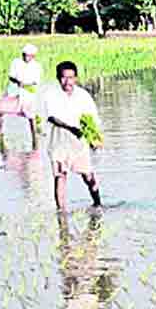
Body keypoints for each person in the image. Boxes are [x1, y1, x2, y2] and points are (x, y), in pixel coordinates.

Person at [43, 61, 102, 212]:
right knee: (60, 176)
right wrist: (70, 128)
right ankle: (61, 212)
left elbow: (93, 119)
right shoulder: (51, 94)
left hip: (78, 141)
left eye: (71, 78)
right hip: (59, 140)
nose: (67, 81)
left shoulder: (83, 95)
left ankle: (98, 203)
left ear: (76, 78)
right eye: (64, 78)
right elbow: (52, 118)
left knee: (88, 176)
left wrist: (95, 138)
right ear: (58, 78)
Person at [0, 44, 43, 141]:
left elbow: (36, 81)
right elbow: (11, 76)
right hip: (13, 91)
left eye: (28, 56)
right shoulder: (16, 62)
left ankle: (34, 136)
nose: (26, 57)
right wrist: (18, 82)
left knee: (31, 116)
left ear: (33, 56)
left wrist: (26, 84)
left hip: (28, 94)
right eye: (24, 55)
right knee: (0, 110)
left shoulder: (37, 66)